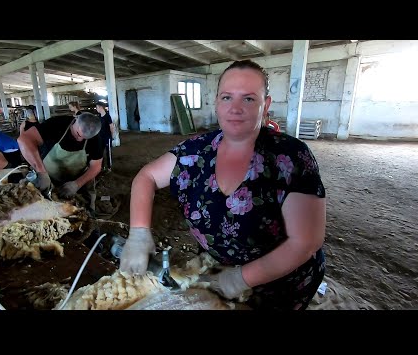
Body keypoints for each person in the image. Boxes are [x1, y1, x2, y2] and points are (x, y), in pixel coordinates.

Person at [119, 59, 326, 310]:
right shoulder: (196, 152)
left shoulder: (290, 158)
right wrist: (139, 233)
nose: (235, 108)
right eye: (227, 97)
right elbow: (147, 177)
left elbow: (305, 242)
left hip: (279, 287)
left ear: (266, 104)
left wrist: (242, 278)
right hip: (214, 276)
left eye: (248, 99)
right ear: (216, 102)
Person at [17, 112, 104, 212]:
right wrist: (41, 172)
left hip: (76, 178)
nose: (80, 139)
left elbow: (96, 166)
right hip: (48, 176)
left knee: (82, 210)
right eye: (78, 134)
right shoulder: (57, 124)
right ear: (75, 121)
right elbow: (24, 140)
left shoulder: (96, 139)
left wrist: (77, 184)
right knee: (40, 207)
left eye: (85, 138)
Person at [95, 101, 115, 171]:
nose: (96, 109)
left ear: (100, 107)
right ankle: (102, 167)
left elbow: (111, 127)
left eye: (97, 107)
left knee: (108, 152)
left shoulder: (107, 116)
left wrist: (112, 136)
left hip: (107, 137)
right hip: (100, 137)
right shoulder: (99, 116)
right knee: (100, 152)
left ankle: (109, 167)